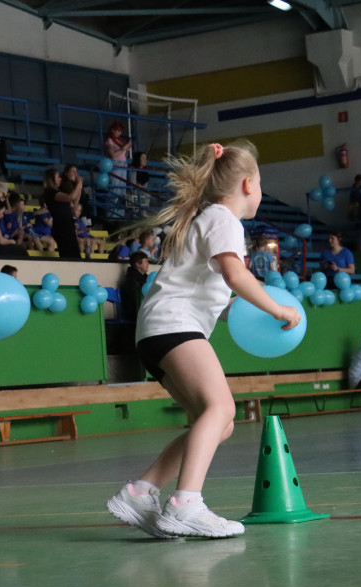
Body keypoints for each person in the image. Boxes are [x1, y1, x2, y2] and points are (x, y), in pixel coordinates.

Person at [105, 140, 301, 539]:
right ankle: (185, 503)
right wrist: (277, 310)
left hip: (159, 332)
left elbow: (214, 292)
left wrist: (239, 310)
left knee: (216, 423)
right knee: (222, 406)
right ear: (248, 184)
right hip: (174, 327)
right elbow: (236, 276)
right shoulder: (224, 220)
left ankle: (140, 491)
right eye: (261, 182)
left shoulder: (207, 218)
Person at [42, 168, 81, 259]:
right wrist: (78, 184)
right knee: (68, 254)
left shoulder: (59, 192)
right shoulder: (51, 193)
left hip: (68, 226)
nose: (60, 178)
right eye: (58, 177)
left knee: (75, 254)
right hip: (62, 227)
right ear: (52, 179)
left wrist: (79, 187)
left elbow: (74, 203)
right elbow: (70, 197)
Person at [120, 250, 149, 323]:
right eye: (145, 262)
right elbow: (137, 299)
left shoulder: (145, 278)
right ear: (138, 264)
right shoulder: (131, 280)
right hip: (135, 313)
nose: (148, 264)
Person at [103, 120, 132, 193]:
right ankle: (111, 204)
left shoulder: (120, 140)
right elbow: (112, 155)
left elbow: (124, 154)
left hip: (123, 164)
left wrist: (127, 147)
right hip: (115, 164)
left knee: (122, 188)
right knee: (115, 187)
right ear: (112, 130)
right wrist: (123, 148)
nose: (120, 133)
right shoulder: (109, 140)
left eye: (120, 131)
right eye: (118, 131)